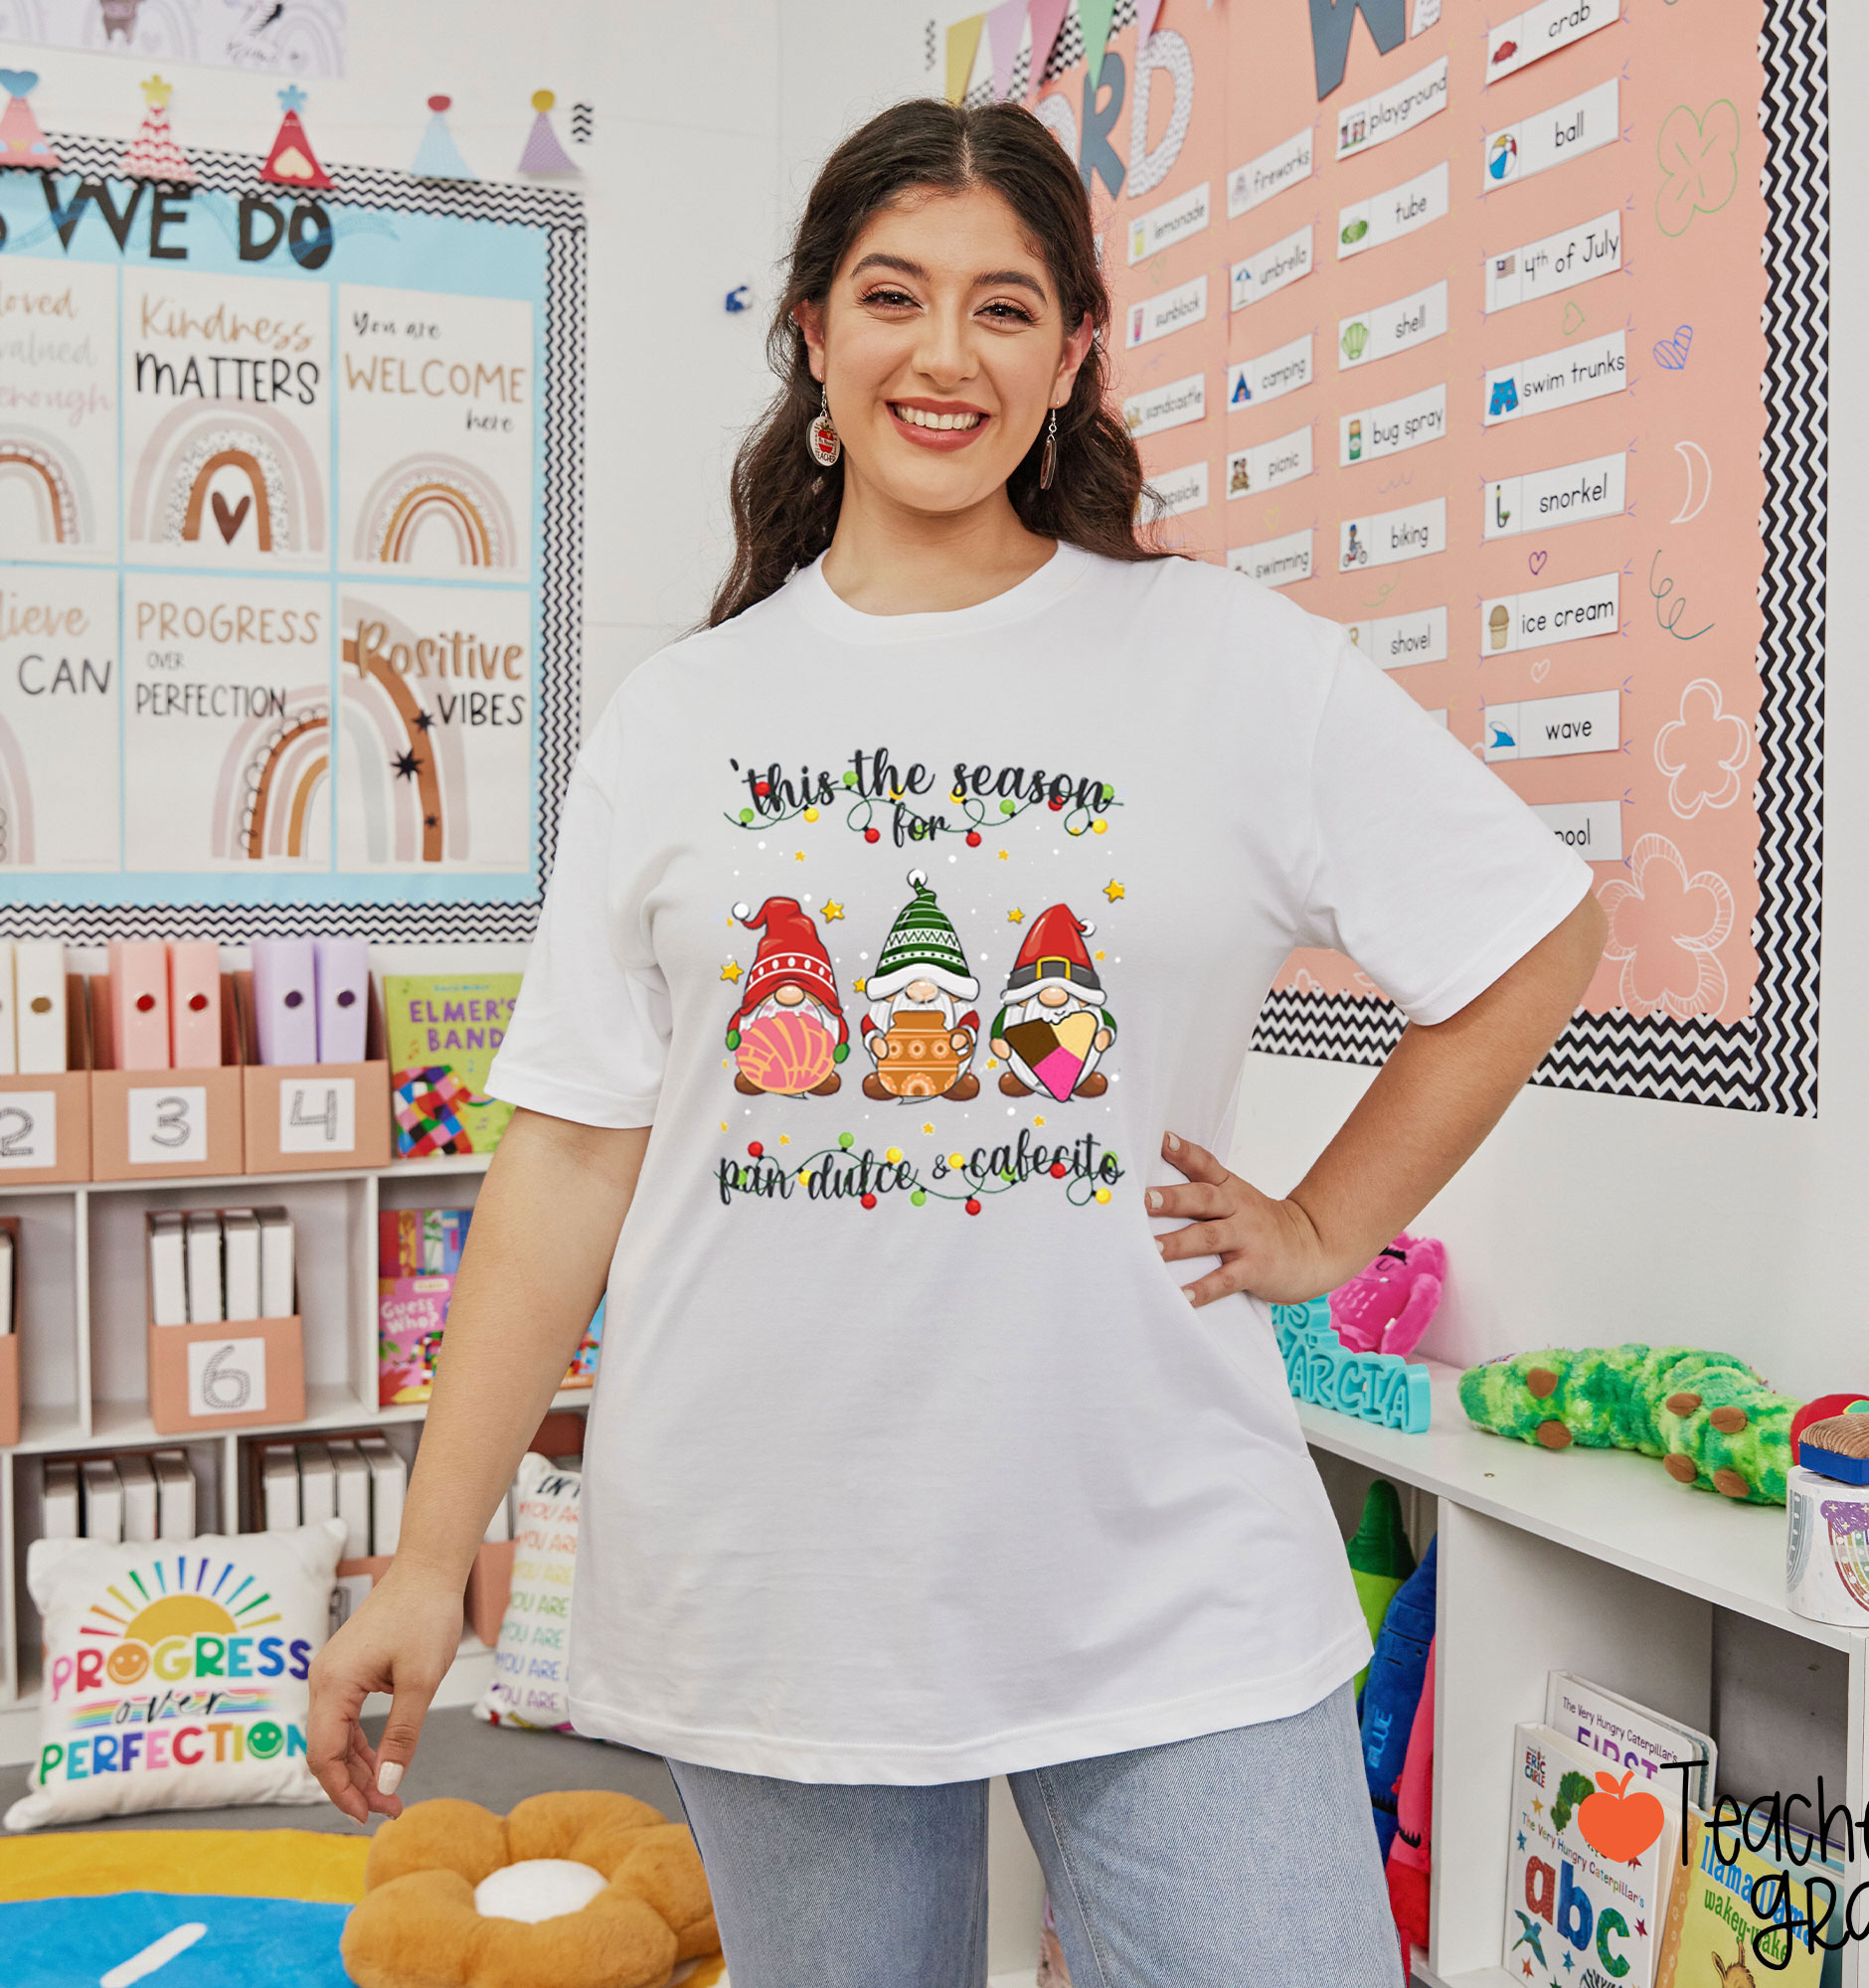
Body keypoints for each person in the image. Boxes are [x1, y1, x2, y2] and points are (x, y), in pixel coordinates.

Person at [307, 97, 1605, 1987]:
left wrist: (1327, 1229)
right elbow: (571, 1152)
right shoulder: (681, 718)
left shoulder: (1228, 666)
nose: (945, 352)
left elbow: (1531, 933)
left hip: (1167, 1563)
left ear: (1076, 352)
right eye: (893, 294)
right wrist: (432, 1557)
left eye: (1006, 308)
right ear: (816, 335)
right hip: (779, 1571)